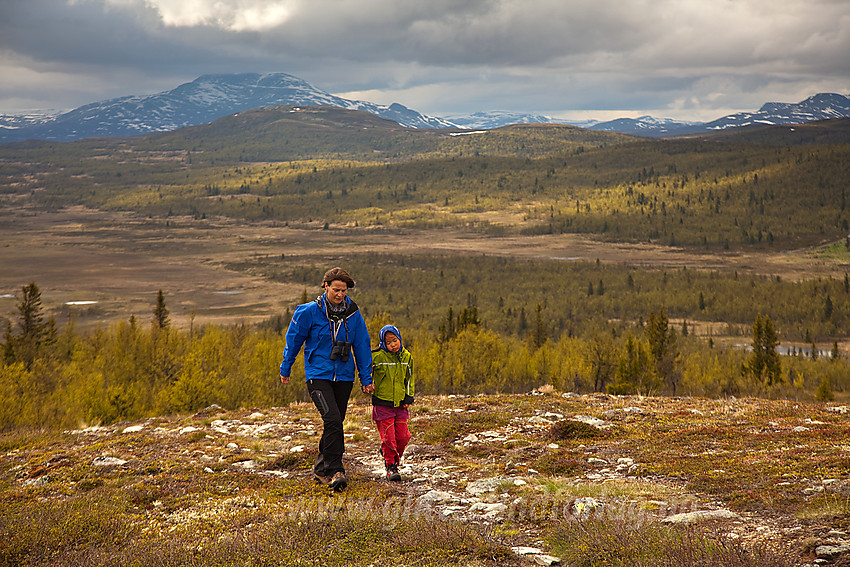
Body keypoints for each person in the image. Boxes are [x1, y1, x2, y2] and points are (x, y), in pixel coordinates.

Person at [280, 267, 374, 491]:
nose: (339, 294)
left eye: (343, 290)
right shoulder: (308, 312)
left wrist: (366, 377)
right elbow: (294, 340)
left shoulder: (353, 314)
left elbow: (362, 345)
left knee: (335, 422)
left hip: (343, 376)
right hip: (317, 374)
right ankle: (334, 470)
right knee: (332, 419)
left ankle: (321, 468)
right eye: (335, 290)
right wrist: (286, 366)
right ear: (325, 286)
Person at [369, 324, 414, 482]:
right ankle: (391, 466)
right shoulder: (377, 357)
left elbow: (409, 378)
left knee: (403, 437)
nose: (393, 344)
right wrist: (367, 382)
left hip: (401, 404)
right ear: (383, 344)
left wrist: (409, 396)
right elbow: (365, 369)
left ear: (399, 339)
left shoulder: (406, 356)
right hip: (382, 404)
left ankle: (390, 454)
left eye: (395, 340)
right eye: (388, 342)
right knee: (389, 439)